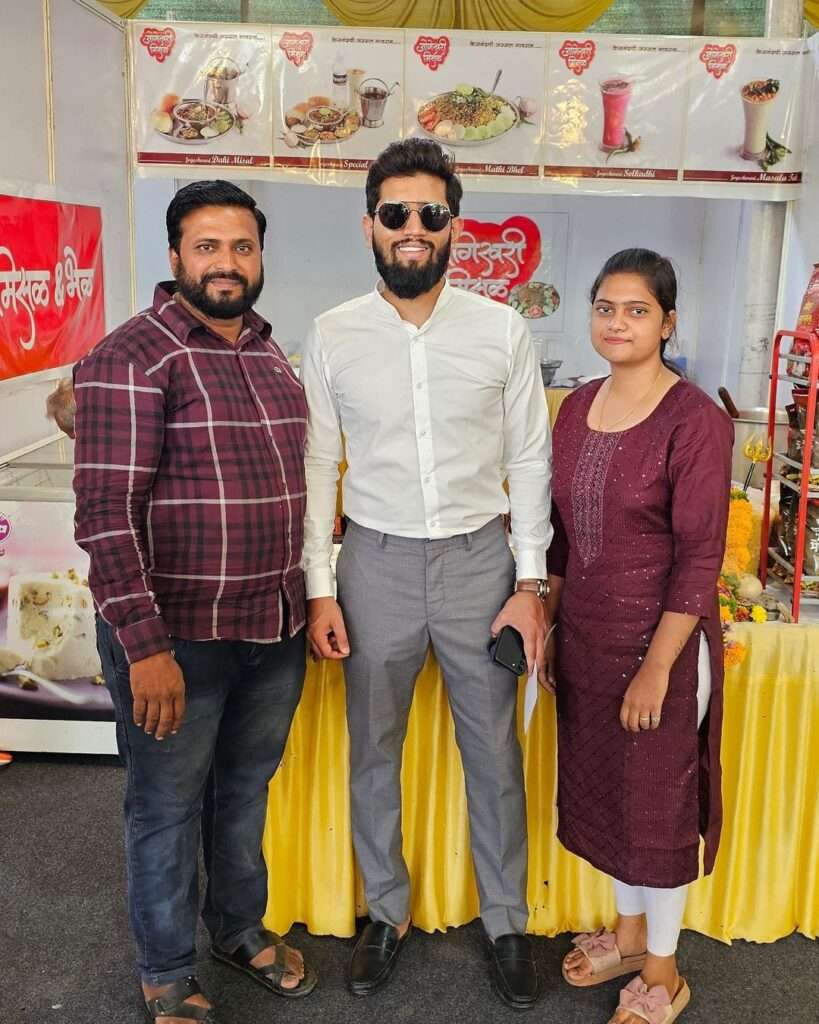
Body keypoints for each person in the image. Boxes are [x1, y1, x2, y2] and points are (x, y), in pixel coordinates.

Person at [301, 138, 552, 1010]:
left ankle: (508, 921)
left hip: (481, 563)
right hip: (371, 561)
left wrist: (530, 583)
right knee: (371, 748)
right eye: (396, 213)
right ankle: (385, 911)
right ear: (370, 223)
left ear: (453, 226)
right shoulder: (332, 334)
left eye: (430, 215)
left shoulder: (501, 329)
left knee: (492, 752)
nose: (413, 229)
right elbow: (316, 467)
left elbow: (528, 460)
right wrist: (319, 585)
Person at [73, 180, 317, 1024]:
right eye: (207, 247)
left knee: (244, 793)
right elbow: (105, 516)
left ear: (259, 257)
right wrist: (144, 647)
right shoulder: (130, 355)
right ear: (175, 255)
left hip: (271, 629)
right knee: (165, 806)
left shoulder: (265, 352)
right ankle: (167, 970)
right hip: (175, 639)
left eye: (241, 246)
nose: (226, 263)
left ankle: (235, 929)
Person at [544, 249, 732, 1024]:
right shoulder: (575, 404)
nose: (617, 322)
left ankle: (661, 969)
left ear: (667, 322)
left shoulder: (695, 420)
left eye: (635, 310)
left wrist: (659, 668)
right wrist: (551, 622)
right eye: (604, 307)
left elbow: (699, 557)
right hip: (584, 638)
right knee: (606, 800)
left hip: (660, 643)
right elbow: (559, 536)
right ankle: (624, 935)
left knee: (653, 809)